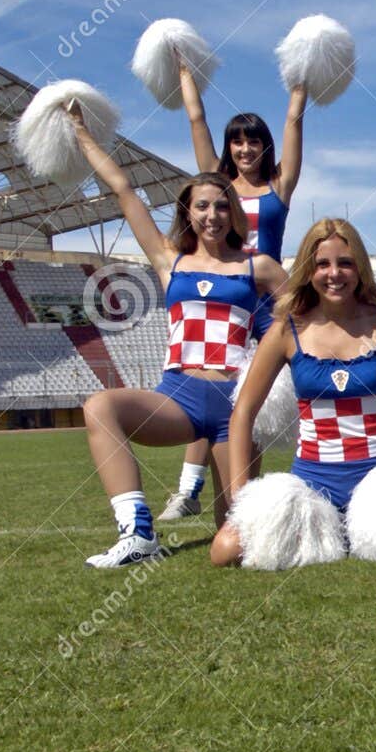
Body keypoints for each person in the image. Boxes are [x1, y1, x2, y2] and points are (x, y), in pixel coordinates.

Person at [67, 104, 285, 567]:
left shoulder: (258, 266)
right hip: (178, 397)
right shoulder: (171, 262)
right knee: (100, 406)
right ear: (188, 211)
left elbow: (304, 318)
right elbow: (123, 189)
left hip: (237, 407)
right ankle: (138, 532)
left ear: (235, 212)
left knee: (235, 545)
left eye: (223, 205)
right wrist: (82, 132)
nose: (213, 215)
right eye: (202, 205)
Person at [211, 218, 376, 567]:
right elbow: (244, 410)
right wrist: (241, 499)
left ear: (359, 267)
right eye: (322, 264)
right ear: (308, 271)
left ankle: (362, 531)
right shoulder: (287, 330)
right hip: (311, 488)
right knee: (225, 550)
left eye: (345, 262)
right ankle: (336, 532)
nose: (334, 273)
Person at [160, 56, 307, 520]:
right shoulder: (218, 187)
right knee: (209, 381)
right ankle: (188, 490)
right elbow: (197, 120)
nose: (245, 147)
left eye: (254, 139)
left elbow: (293, 120)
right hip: (226, 295)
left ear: (265, 146)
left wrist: (305, 70)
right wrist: (186, 74)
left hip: (268, 300)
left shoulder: (279, 187)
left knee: (255, 398)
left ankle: (250, 492)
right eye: (237, 140)